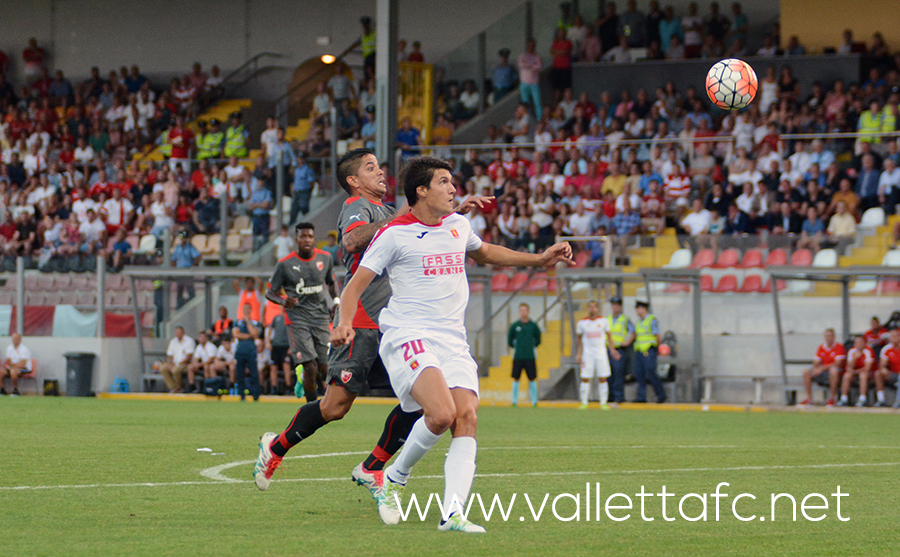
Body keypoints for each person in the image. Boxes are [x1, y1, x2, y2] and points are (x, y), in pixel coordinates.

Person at [330, 155, 573, 532]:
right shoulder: (394, 234)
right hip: (408, 334)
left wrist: (540, 259)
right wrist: (344, 323)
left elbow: (487, 252)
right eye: (444, 182)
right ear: (421, 191)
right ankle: (394, 476)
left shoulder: (458, 224)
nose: (453, 188)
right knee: (441, 414)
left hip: (452, 338)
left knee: (467, 417)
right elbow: (354, 287)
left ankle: (452, 514)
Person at [253, 149, 488, 498]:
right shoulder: (356, 208)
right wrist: (401, 218)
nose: (380, 172)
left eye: (379, 166)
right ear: (353, 181)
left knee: (423, 401)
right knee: (335, 407)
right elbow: (350, 240)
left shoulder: (391, 213)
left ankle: (373, 467)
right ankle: (275, 448)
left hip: (397, 325)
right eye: (370, 167)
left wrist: (447, 211)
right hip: (361, 321)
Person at [265, 222, 337, 402]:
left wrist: (336, 303)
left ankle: (302, 378)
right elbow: (270, 292)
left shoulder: (325, 258)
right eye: (303, 236)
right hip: (297, 319)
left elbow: (332, 282)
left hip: (320, 317)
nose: (307, 240)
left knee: (324, 369)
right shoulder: (285, 264)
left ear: (314, 239)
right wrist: (283, 300)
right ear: (296, 239)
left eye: (310, 236)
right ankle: (311, 411)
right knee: (311, 367)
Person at [575, 300, 620, 410]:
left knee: (603, 377)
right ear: (588, 309)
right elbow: (579, 340)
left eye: (594, 307)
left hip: (601, 353)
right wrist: (578, 354)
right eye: (590, 307)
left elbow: (609, 337)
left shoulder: (603, 321)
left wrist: (612, 350)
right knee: (586, 377)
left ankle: (603, 403)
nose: (592, 309)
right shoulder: (582, 323)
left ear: (598, 309)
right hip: (588, 353)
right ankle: (584, 402)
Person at [507, 303, 542, 407]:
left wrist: (531, 346)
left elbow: (538, 339)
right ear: (519, 312)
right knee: (516, 378)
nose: (523, 312)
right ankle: (514, 401)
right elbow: (510, 340)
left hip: (530, 356)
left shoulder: (533, 326)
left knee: (532, 378)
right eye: (521, 310)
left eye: (525, 310)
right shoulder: (514, 326)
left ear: (528, 311)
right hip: (518, 356)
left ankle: (534, 401)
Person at [800, 328, 846, 406]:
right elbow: (816, 361)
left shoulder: (839, 347)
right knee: (806, 371)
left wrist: (822, 368)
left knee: (833, 371)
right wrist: (816, 369)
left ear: (834, 337)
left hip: (835, 372)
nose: (828, 338)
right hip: (823, 372)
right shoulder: (821, 347)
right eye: (827, 336)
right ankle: (809, 399)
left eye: (830, 336)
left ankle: (832, 398)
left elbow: (838, 363)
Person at [633, 300, 667, 403]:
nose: (637, 311)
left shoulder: (651, 320)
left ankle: (661, 395)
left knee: (650, 372)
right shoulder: (639, 322)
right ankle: (641, 397)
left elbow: (658, 336)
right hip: (639, 351)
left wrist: (656, 348)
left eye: (638, 308)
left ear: (644, 308)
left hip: (649, 351)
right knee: (639, 374)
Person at [607, 296, 635, 403]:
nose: (615, 307)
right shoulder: (607, 319)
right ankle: (610, 396)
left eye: (617, 305)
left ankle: (618, 396)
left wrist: (627, 342)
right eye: (614, 305)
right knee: (608, 374)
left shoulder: (625, 319)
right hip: (608, 349)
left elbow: (633, 332)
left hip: (618, 349)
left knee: (618, 374)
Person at [232, 303, 262, 401]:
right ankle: (242, 396)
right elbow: (236, 334)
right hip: (240, 351)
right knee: (240, 375)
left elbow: (255, 333)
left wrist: (248, 322)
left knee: (254, 374)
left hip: (251, 351)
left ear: (251, 310)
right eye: (244, 308)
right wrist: (249, 335)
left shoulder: (255, 322)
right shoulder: (237, 322)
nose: (246, 310)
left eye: (248, 309)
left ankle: (255, 395)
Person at [839, 335, 875, 407]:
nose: (859, 344)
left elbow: (867, 368)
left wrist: (855, 372)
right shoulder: (852, 351)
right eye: (857, 342)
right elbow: (849, 367)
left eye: (861, 342)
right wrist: (854, 358)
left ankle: (862, 399)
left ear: (864, 343)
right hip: (854, 373)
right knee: (847, 375)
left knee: (863, 375)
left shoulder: (868, 351)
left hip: (866, 374)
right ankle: (844, 398)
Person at [159, 326, 196, 393]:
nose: (178, 334)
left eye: (180, 332)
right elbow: (170, 355)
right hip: (174, 363)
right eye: (177, 332)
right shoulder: (173, 341)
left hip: (184, 364)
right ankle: (173, 387)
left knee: (175, 370)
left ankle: (180, 387)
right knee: (163, 368)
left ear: (183, 332)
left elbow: (189, 357)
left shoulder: (189, 341)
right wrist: (170, 364)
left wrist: (178, 364)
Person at [266, 310, 293, 396]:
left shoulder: (290, 318)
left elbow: (293, 332)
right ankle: (274, 387)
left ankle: (288, 387)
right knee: (273, 366)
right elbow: (270, 329)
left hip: (285, 346)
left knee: (286, 365)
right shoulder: (276, 318)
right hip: (276, 346)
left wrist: (291, 346)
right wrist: (268, 341)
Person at [875, 329, 900, 408]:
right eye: (892, 336)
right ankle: (881, 400)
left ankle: (898, 401)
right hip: (893, 374)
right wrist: (883, 369)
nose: (894, 338)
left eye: (896, 336)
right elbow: (882, 364)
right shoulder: (887, 349)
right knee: (878, 374)